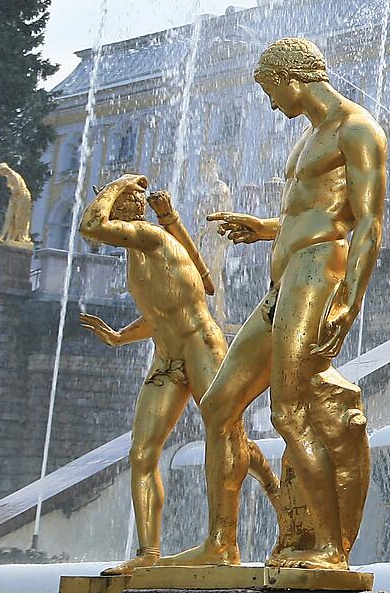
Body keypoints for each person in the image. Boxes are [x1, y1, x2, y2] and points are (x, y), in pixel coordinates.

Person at [164, 37, 385, 570]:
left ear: (293, 78)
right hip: (285, 281)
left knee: (289, 412)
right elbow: (311, 212)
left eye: (270, 91)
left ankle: (330, 548)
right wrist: (263, 228)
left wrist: (350, 300)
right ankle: (221, 543)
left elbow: (368, 222)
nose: (271, 104)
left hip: (317, 276)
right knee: (217, 406)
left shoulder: (358, 129)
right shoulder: (309, 138)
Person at [77, 175, 292, 575]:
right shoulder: (139, 249)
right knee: (142, 452)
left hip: (201, 348)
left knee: (226, 432)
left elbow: (90, 226)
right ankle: (147, 553)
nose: (130, 206)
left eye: (130, 202)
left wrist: (121, 182)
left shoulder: (150, 237)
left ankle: (266, 496)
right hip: (167, 357)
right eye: (126, 201)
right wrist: (122, 336)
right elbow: (164, 312)